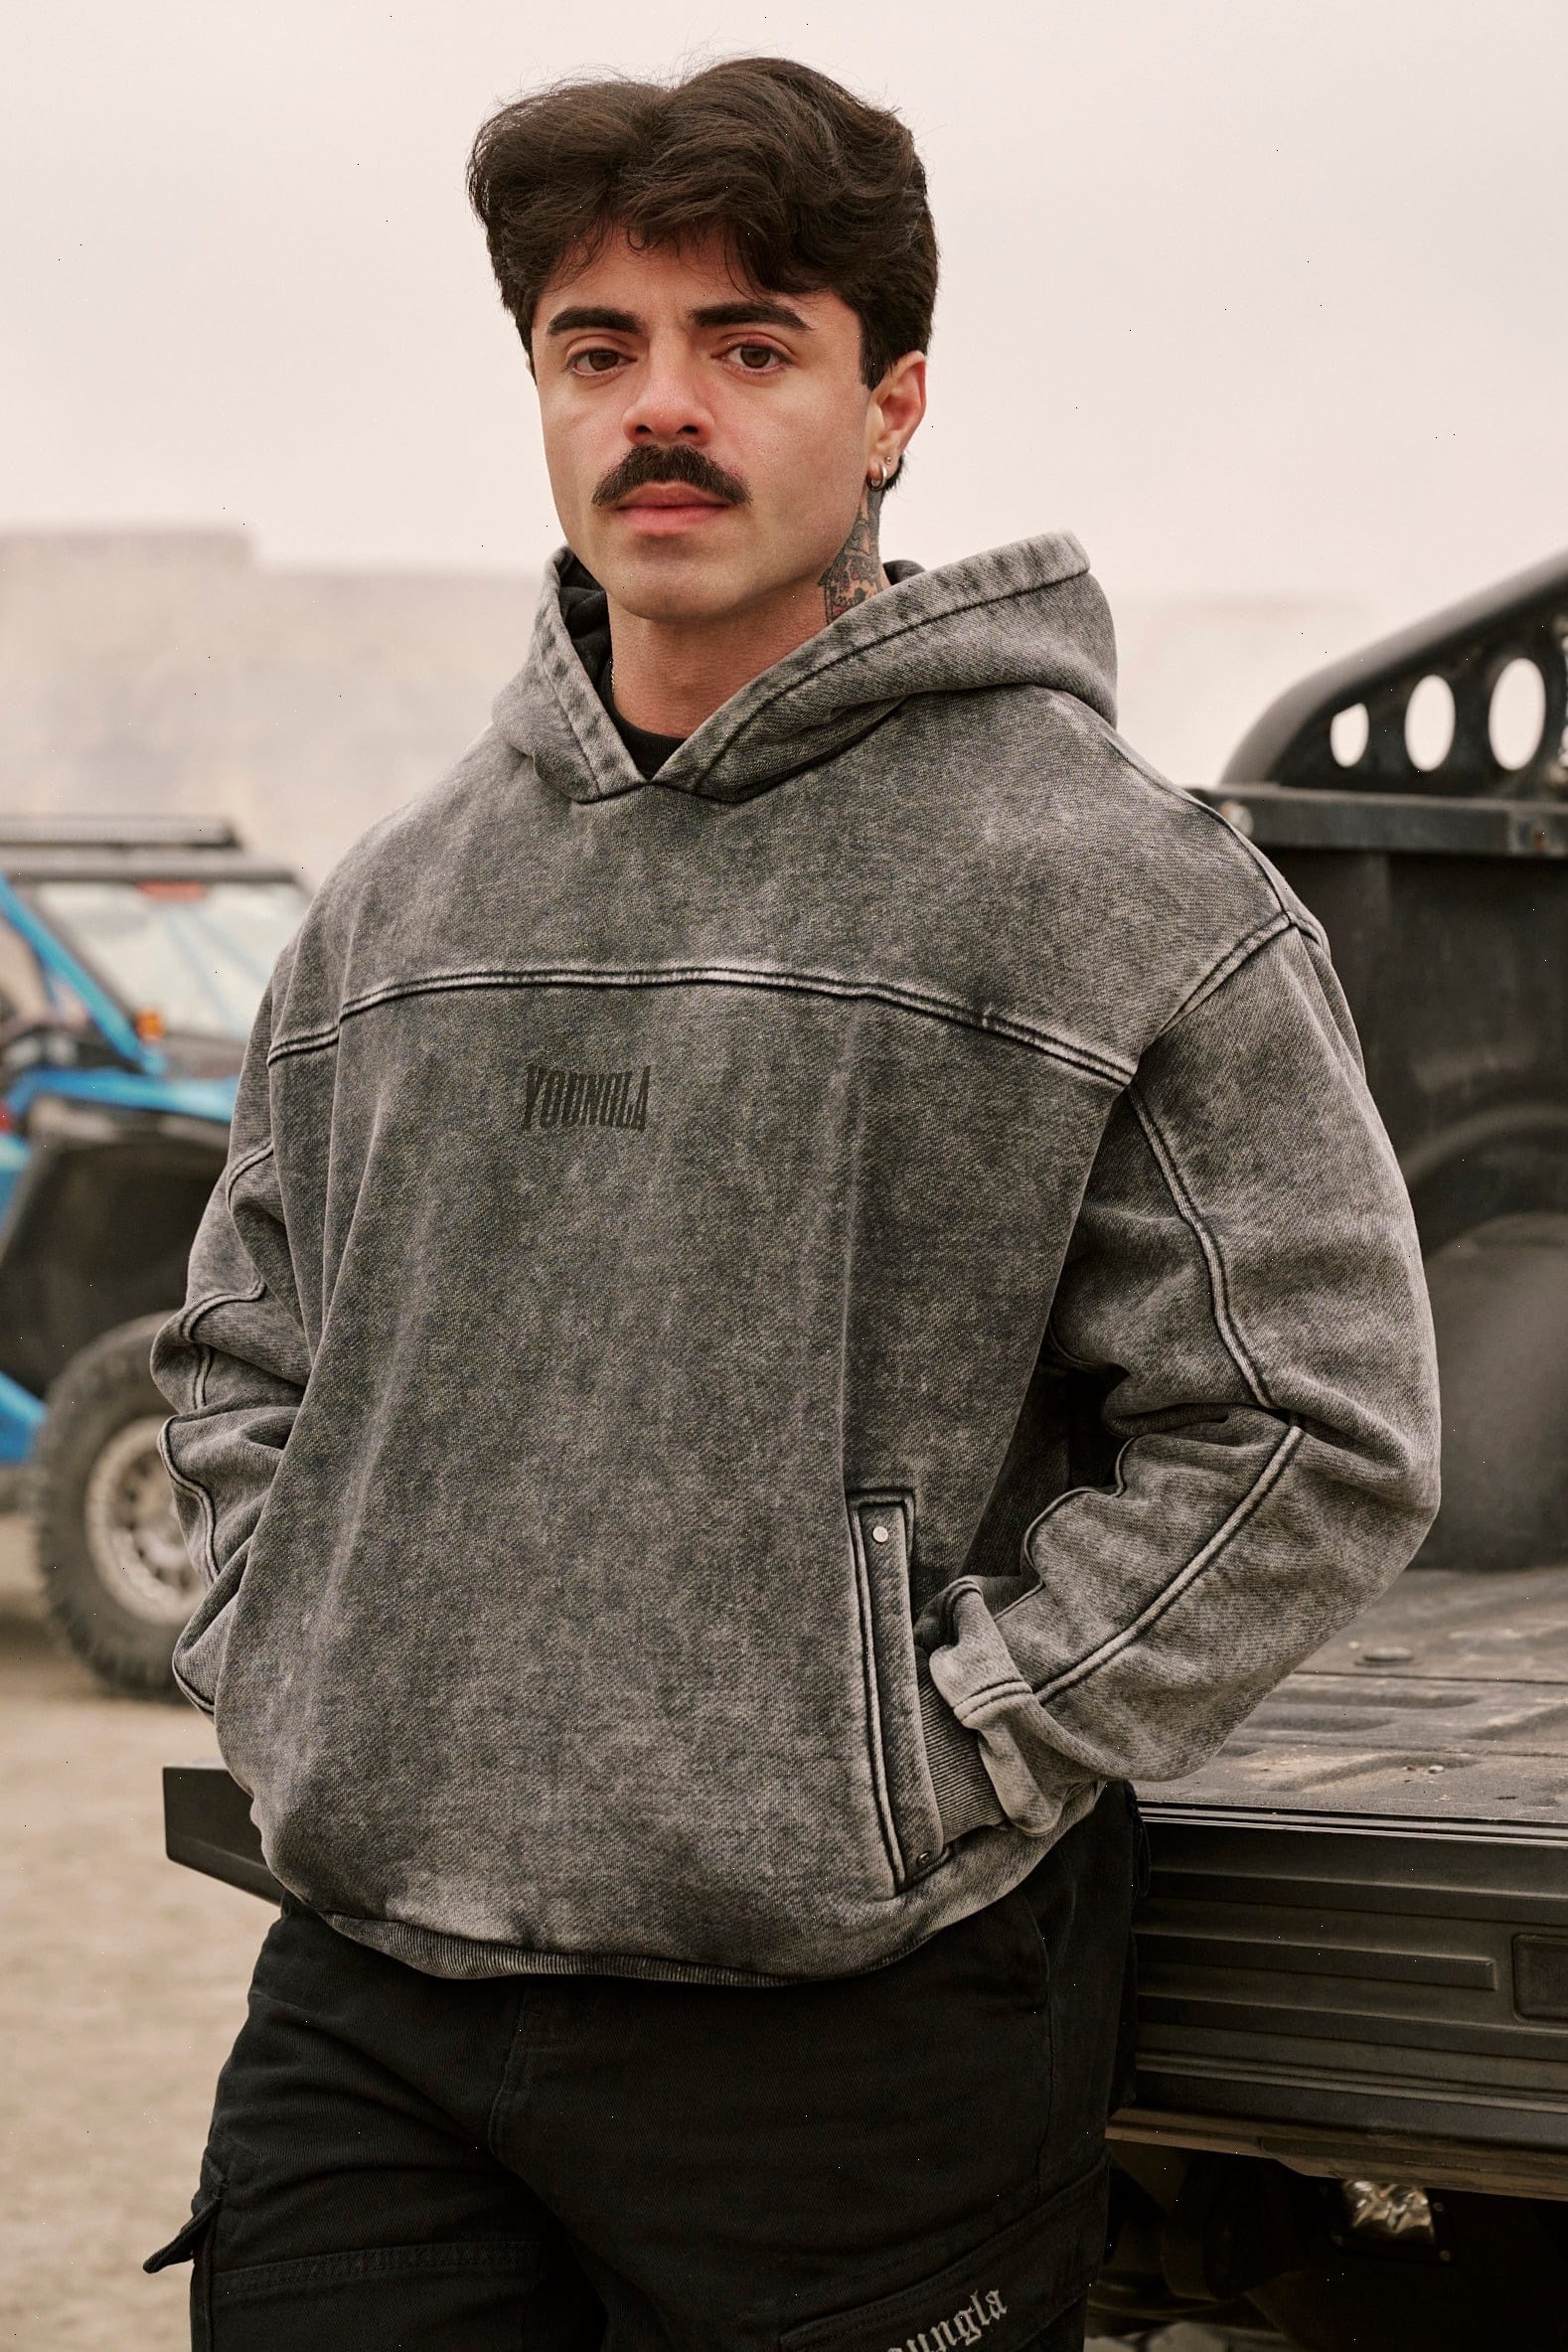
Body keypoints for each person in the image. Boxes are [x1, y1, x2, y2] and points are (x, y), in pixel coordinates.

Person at [144, 56, 1440, 2352]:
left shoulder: (1105, 881)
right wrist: (295, 1667)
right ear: (541, 391)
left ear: (892, 403)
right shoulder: (401, 899)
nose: (664, 406)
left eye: (750, 344)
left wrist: (944, 1747)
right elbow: (245, 1342)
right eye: (599, 347)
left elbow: (1314, 1418)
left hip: (853, 2036)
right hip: (373, 2013)